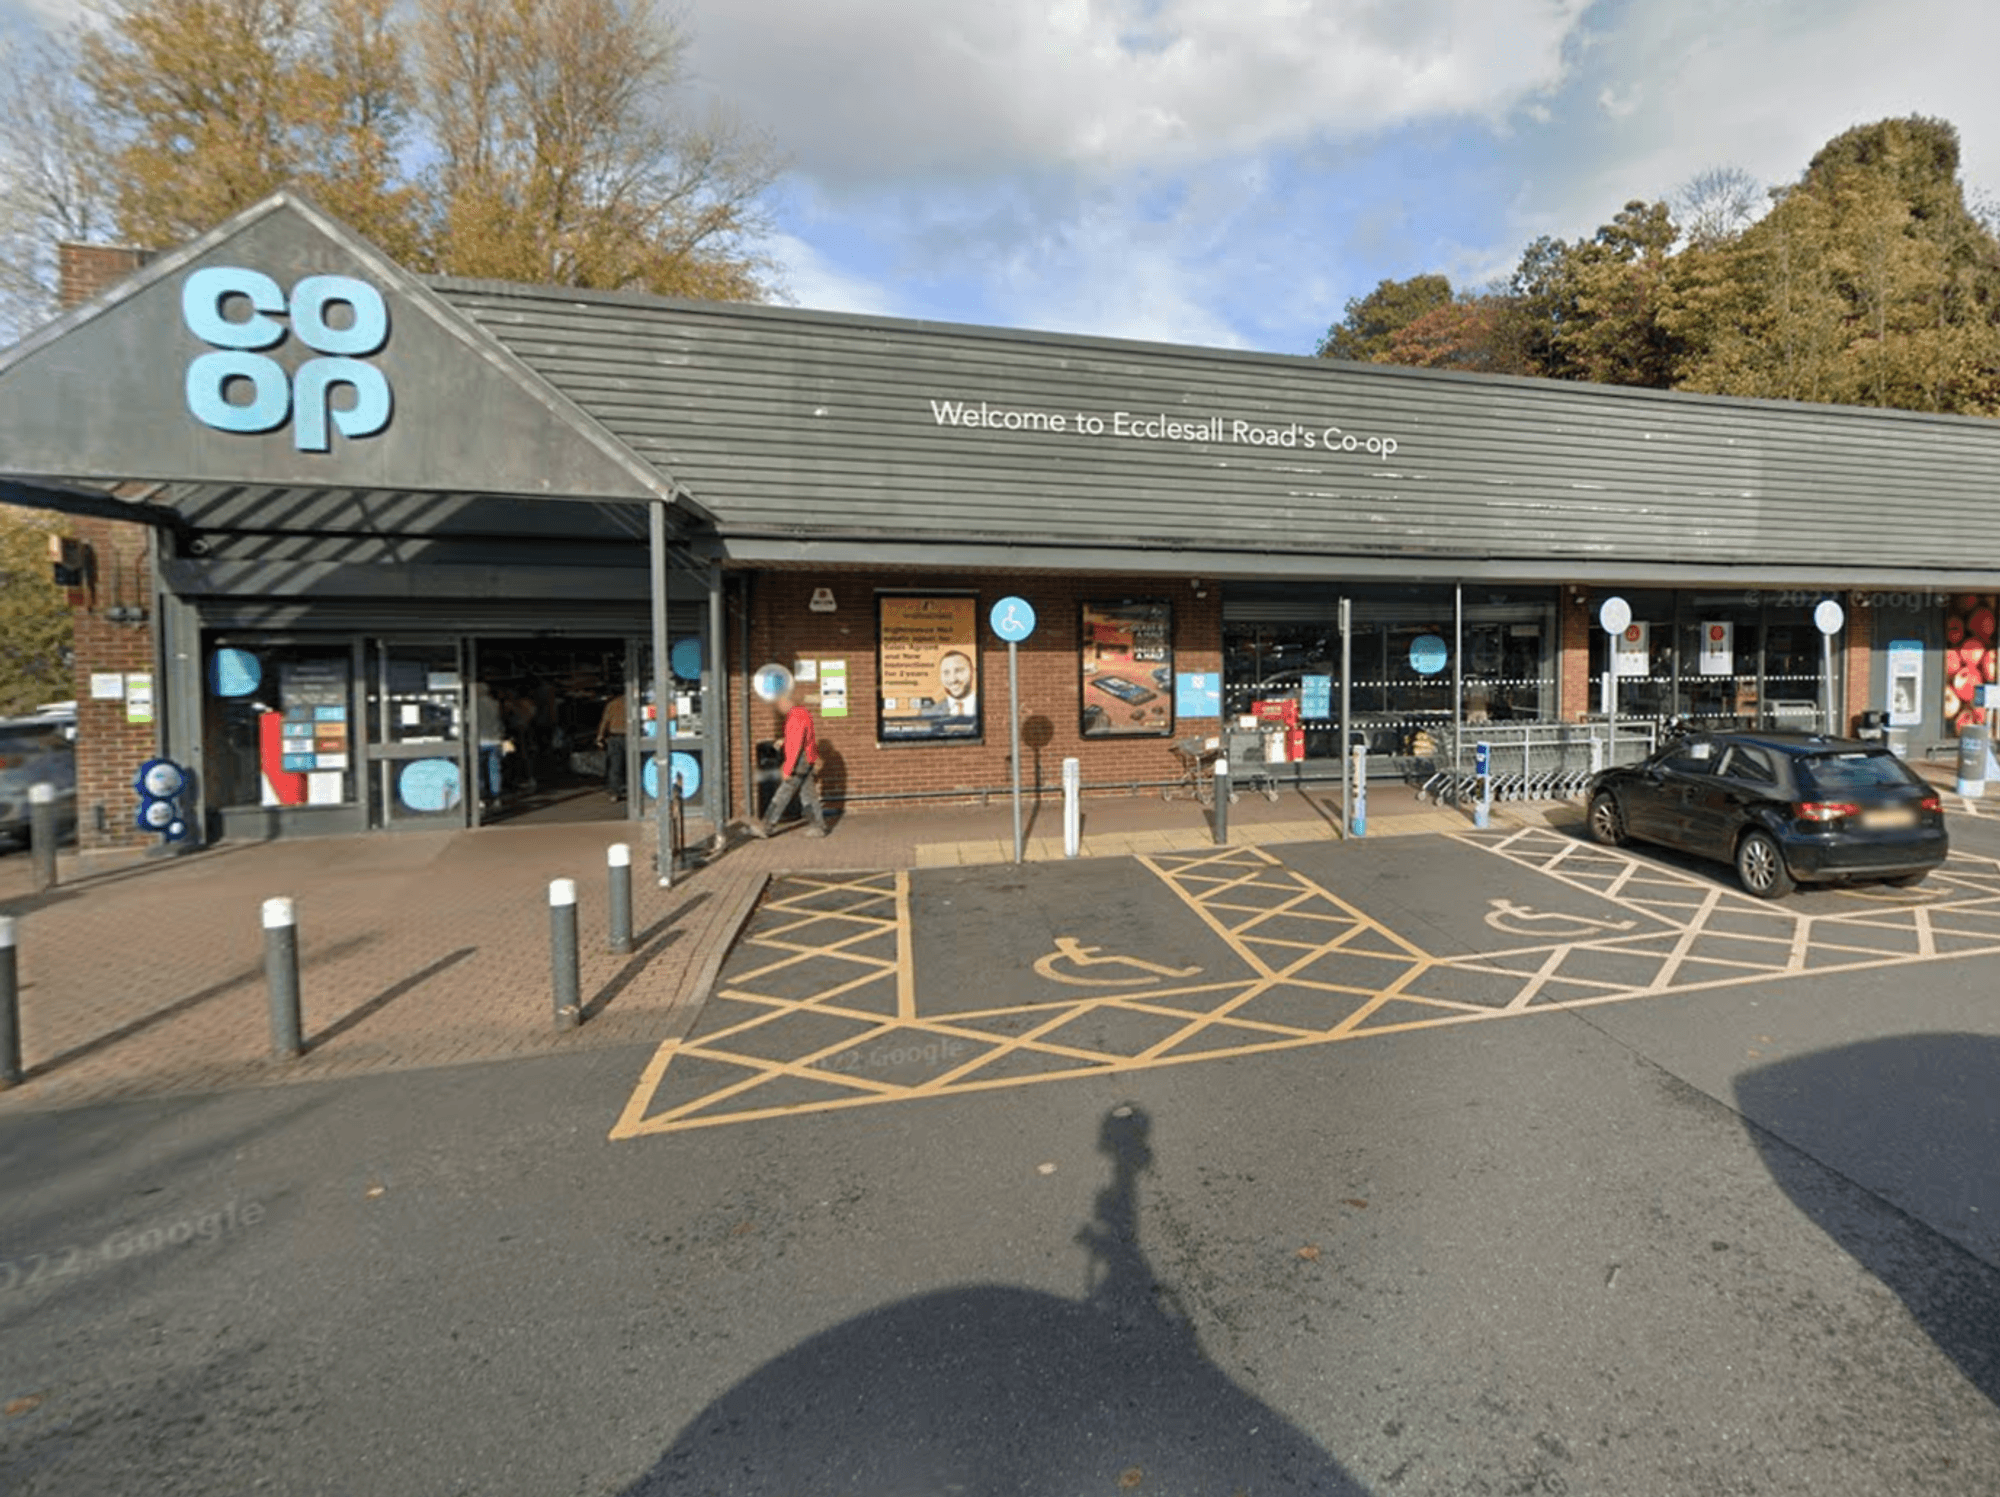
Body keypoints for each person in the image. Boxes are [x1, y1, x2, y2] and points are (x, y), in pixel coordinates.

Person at [752, 688, 828, 837]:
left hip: (799, 760)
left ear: (787, 701)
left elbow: (796, 744)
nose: (778, 707)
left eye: (780, 702)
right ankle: (818, 826)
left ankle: (766, 827)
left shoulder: (795, 716)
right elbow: (800, 738)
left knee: (783, 793)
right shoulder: (802, 713)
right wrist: (785, 741)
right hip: (807, 758)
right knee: (809, 794)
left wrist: (787, 767)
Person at [918, 650, 977, 719]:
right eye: (946, 673)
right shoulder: (927, 714)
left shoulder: (989, 707)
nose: (952, 679)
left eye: (959, 670)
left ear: (973, 672)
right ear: (940, 677)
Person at [473, 682, 504, 807]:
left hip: (479, 741)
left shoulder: (473, 705)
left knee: (478, 771)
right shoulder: (495, 704)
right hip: (495, 740)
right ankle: (496, 797)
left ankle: (481, 797)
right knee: (494, 770)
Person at [595, 688, 628, 801]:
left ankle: (615, 792)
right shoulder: (635, 703)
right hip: (632, 736)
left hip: (614, 736)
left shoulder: (612, 704)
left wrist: (600, 737)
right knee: (634, 764)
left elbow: (605, 721)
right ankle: (635, 789)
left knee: (615, 765)